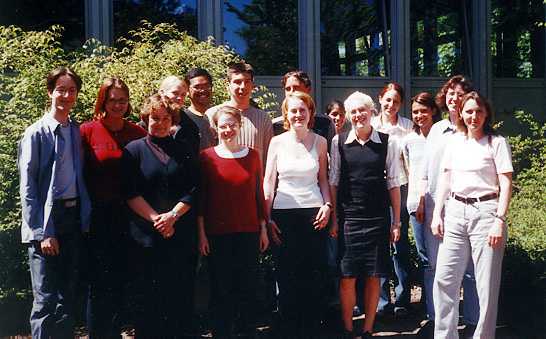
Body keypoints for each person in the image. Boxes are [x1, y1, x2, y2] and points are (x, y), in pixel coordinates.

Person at [431, 91, 513, 338]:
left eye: (478, 111)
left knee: (485, 284)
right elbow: (446, 178)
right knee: (444, 279)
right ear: (461, 114)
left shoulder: (496, 142)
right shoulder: (454, 142)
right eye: (468, 111)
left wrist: (499, 219)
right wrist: (437, 213)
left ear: (486, 113)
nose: (473, 116)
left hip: (486, 214)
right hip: (455, 212)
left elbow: (506, 182)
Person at [18, 67, 91, 338]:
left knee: (67, 297)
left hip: (73, 218)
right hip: (47, 222)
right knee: (45, 299)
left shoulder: (75, 130)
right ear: (50, 92)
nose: (66, 95)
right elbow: (28, 188)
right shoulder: (35, 134)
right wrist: (42, 232)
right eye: (61, 89)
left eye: (71, 90)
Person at [121, 94, 198, 337]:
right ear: (146, 119)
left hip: (180, 235)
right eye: (155, 118)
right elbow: (129, 192)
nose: (161, 123)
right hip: (146, 236)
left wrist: (173, 216)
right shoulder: (133, 151)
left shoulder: (184, 149)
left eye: (166, 118)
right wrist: (158, 219)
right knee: (148, 301)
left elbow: (195, 188)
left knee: (179, 297)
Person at [329, 91, 401, 338]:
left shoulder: (387, 142)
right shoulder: (339, 142)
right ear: (348, 116)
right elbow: (334, 181)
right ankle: (348, 329)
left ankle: (369, 328)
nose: (358, 115)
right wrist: (335, 218)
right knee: (347, 277)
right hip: (349, 219)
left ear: (372, 112)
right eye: (354, 111)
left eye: (363, 110)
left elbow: (393, 182)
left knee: (373, 275)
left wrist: (397, 221)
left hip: (378, 218)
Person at [80, 77, 147, 338]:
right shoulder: (87, 131)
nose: (118, 105)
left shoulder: (137, 133)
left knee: (123, 282)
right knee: (99, 285)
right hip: (98, 217)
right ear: (103, 102)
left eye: (122, 100)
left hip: (131, 218)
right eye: (112, 100)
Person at [263, 91, 332, 337]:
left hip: (314, 214)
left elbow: (323, 179)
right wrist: (267, 218)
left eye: (303, 110)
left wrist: (327, 206)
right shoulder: (276, 142)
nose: (298, 115)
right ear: (286, 114)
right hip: (282, 215)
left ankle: (311, 329)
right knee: (287, 274)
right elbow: (269, 181)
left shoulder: (321, 141)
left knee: (313, 273)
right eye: (293, 110)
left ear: (310, 113)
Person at [198, 106, 269, 338]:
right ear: (215, 129)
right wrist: (201, 234)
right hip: (217, 234)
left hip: (248, 232)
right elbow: (201, 200)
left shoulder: (252, 156)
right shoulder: (207, 157)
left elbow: (258, 195)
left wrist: (263, 229)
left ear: (240, 126)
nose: (227, 130)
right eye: (223, 126)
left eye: (232, 125)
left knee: (247, 288)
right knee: (221, 290)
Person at [417, 75, 479, 334]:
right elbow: (425, 170)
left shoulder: (476, 129)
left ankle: (473, 319)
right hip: (435, 206)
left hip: (465, 206)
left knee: (469, 269)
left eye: (460, 93)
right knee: (436, 265)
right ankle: (438, 319)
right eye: (451, 93)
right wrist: (421, 199)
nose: (454, 98)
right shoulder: (437, 130)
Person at [371, 82, 413, 317]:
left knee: (399, 246)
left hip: (402, 188)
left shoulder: (407, 127)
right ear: (380, 99)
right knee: (380, 245)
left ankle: (403, 299)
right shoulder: (372, 125)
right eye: (388, 100)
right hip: (377, 190)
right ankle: (383, 302)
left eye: (396, 101)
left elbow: (412, 161)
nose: (391, 105)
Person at [399, 92, 440, 326]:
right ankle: (429, 307)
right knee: (425, 257)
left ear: (433, 110)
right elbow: (408, 171)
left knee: (443, 257)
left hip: (442, 204)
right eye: (415, 111)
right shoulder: (408, 140)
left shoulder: (444, 136)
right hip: (416, 205)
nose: (419, 115)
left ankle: (445, 305)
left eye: (423, 110)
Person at [206, 61, 273, 168]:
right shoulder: (212, 114)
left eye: (247, 82)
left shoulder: (263, 118)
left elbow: (269, 159)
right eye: (237, 82)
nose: (243, 86)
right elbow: (207, 156)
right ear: (227, 84)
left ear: (252, 85)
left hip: (252, 181)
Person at [272, 70, 336, 148]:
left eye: (296, 88)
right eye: (288, 89)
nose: (291, 92)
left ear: (308, 89)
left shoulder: (325, 123)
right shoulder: (276, 126)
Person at [158, 75, 200, 155]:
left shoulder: (189, 125)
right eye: (175, 93)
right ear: (162, 93)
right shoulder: (149, 119)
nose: (179, 98)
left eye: (183, 95)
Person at [184, 67, 216, 150]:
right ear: (187, 90)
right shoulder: (183, 119)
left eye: (206, 85)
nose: (202, 90)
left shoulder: (219, 115)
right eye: (197, 87)